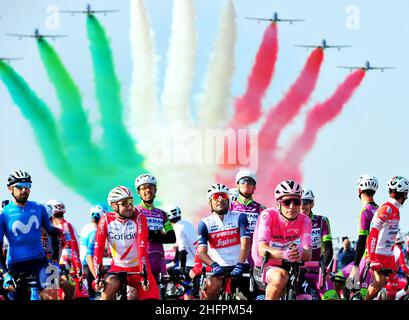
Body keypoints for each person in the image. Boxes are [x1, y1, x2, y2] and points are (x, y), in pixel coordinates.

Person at [0, 170, 61, 300]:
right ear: (10, 189)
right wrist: (5, 274)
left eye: (27, 186)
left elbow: (52, 233)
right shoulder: (3, 214)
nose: (24, 190)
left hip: (40, 262)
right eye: (20, 186)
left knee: (53, 296)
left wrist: (55, 260)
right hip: (16, 265)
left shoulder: (39, 208)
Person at [93, 186, 159, 300]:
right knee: (108, 289)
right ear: (114, 206)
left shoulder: (139, 218)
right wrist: (97, 277)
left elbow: (142, 248)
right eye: (125, 203)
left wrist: (144, 276)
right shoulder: (106, 220)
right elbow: (98, 250)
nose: (130, 206)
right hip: (117, 268)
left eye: (131, 202)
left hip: (139, 269)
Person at [251, 180, 313, 300]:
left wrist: (301, 251)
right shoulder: (267, 215)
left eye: (296, 202)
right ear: (278, 203)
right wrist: (284, 254)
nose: (292, 206)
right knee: (280, 277)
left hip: (290, 264)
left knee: (306, 297)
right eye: (286, 202)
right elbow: (262, 250)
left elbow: (308, 254)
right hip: (265, 265)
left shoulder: (305, 220)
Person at [197, 183, 251, 300]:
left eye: (223, 196)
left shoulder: (240, 217)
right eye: (216, 197)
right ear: (210, 202)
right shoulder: (205, 223)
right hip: (219, 267)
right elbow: (201, 252)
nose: (220, 199)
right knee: (210, 288)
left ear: (229, 199)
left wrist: (240, 264)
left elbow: (245, 243)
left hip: (240, 265)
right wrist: (213, 265)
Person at [365, 175, 409, 300]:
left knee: (393, 287)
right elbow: (373, 232)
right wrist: (372, 258)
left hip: (388, 255)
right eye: (406, 193)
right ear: (403, 193)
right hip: (377, 253)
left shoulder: (396, 210)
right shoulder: (387, 209)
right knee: (380, 281)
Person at [134, 174, 176, 283]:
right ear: (138, 192)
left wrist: (151, 234)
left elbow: (171, 238)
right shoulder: (135, 212)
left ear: (155, 190)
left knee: (156, 294)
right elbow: (139, 235)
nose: (148, 190)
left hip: (158, 259)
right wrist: (159, 234)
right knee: (135, 295)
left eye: (150, 187)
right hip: (141, 259)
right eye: (144, 188)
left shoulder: (162, 214)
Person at [342, 174, 379, 297]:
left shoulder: (365, 211)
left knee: (347, 286)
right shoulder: (380, 209)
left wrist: (356, 266)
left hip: (367, 257)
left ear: (359, 190)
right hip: (380, 256)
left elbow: (362, 239)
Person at [300, 188, 337, 300]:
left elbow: (329, 250)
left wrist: (323, 268)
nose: (302, 206)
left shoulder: (322, 221)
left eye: (305, 202)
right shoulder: (291, 222)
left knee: (332, 298)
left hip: (317, 270)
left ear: (312, 204)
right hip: (299, 271)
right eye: (299, 202)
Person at [229, 169, 265, 268]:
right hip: (233, 252)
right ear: (237, 185)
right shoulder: (229, 208)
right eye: (242, 181)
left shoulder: (261, 209)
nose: (246, 184)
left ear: (254, 187)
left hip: (253, 254)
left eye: (250, 182)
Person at [165, 204, 198, 299]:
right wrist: (174, 262)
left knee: (186, 288)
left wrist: (182, 267)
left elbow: (182, 251)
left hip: (190, 264)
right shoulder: (186, 223)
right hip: (198, 261)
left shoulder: (177, 228)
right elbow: (180, 247)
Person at [80, 205, 106, 299]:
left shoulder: (86, 227)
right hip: (89, 265)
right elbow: (89, 255)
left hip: (84, 264)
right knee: (93, 295)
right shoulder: (95, 232)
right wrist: (96, 275)